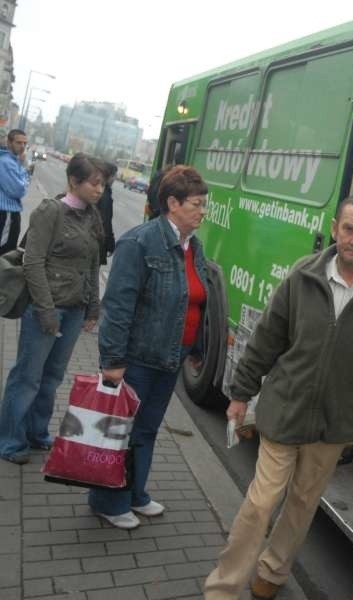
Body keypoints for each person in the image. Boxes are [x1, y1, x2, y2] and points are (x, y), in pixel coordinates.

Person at [204, 192, 353, 600]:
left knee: (303, 504)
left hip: (337, 422)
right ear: (335, 229)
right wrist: (241, 392)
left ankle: (273, 572)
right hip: (285, 408)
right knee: (261, 503)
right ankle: (224, 588)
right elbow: (267, 337)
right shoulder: (304, 274)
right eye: (349, 229)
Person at [88, 165, 209, 529]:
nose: (203, 211)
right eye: (197, 204)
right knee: (121, 431)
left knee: (147, 429)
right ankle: (108, 501)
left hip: (170, 357)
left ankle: (135, 492)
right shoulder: (139, 242)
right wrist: (113, 360)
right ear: (172, 203)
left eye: (205, 205)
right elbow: (119, 307)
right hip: (139, 358)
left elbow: (195, 299)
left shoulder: (193, 246)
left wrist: (198, 346)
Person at [0, 153, 106, 464]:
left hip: (74, 310)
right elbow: (33, 262)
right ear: (74, 181)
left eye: (103, 184)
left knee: (52, 376)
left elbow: (92, 266)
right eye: (95, 183)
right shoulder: (50, 211)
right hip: (45, 307)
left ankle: (36, 432)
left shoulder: (91, 216)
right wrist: (45, 310)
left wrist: (92, 308)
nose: (100, 189)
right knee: (27, 376)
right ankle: (10, 440)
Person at [0, 129, 30, 255]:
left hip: (10, 213)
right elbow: (18, 190)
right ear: (9, 142)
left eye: (25, 143)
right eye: (18, 142)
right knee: (4, 252)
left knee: (9, 250)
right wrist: (24, 171)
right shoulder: (6, 162)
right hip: (5, 213)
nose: (22, 146)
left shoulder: (14, 161)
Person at [96, 161, 117, 265]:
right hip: (97, 241)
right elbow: (105, 221)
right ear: (109, 176)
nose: (115, 179)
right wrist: (110, 243)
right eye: (114, 176)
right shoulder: (105, 195)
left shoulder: (97, 188)